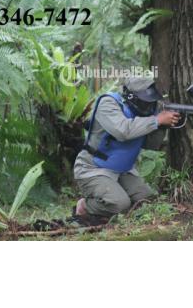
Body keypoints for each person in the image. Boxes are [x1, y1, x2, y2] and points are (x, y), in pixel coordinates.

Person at [73, 77, 180, 221]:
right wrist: (157, 120)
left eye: (151, 101)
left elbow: (150, 145)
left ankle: (115, 201)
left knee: (147, 201)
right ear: (130, 96)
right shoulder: (108, 103)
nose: (149, 105)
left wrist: (162, 126)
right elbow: (123, 131)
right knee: (120, 205)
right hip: (94, 168)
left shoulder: (148, 111)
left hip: (123, 170)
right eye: (145, 101)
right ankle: (85, 206)